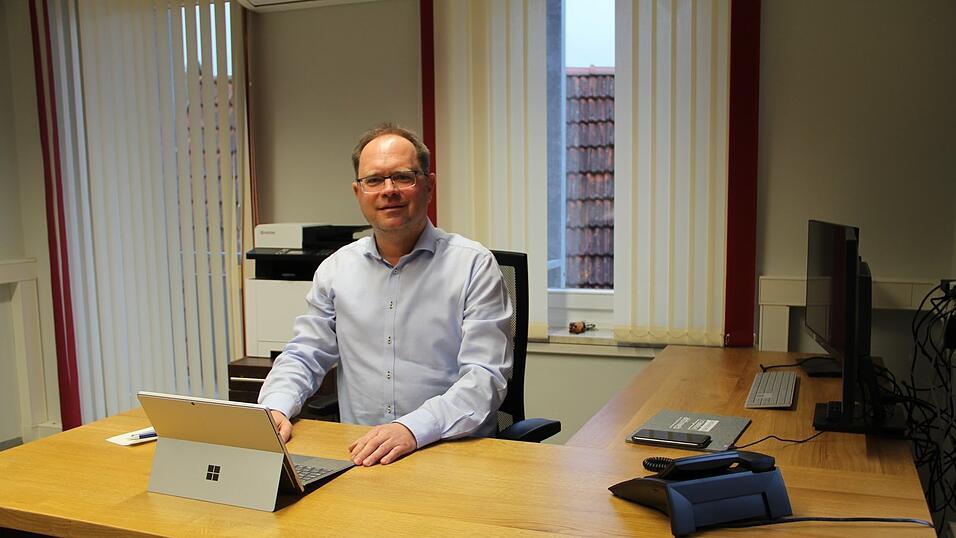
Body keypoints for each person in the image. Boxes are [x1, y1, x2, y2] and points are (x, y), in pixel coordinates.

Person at [258, 123, 514, 467]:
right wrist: (276, 405)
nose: (388, 190)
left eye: (403, 177)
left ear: (429, 186)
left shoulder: (473, 266)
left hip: (451, 453)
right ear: (358, 191)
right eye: (374, 180)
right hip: (361, 454)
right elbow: (305, 354)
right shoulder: (336, 270)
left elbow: (485, 379)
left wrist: (411, 429)